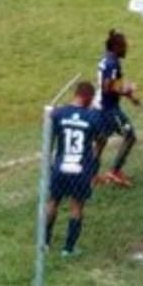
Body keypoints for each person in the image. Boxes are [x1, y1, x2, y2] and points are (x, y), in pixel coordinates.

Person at [45, 81, 101, 257]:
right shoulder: (92, 117)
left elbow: (49, 137)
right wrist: (94, 162)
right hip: (80, 169)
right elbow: (100, 139)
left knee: (53, 201)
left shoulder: (59, 113)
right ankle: (68, 249)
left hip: (60, 167)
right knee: (76, 207)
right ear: (88, 97)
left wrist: (49, 162)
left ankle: (45, 242)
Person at [94, 30, 140, 188]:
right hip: (108, 109)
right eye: (124, 47)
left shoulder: (106, 59)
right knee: (130, 135)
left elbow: (111, 85)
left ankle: (91, 176)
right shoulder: (113, 63)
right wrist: (127, 90)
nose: (126, 49)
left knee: (100, 141)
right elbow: (108, 88)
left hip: (99, 106)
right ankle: (114, 171)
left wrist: (131, 97)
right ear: (115, 47)